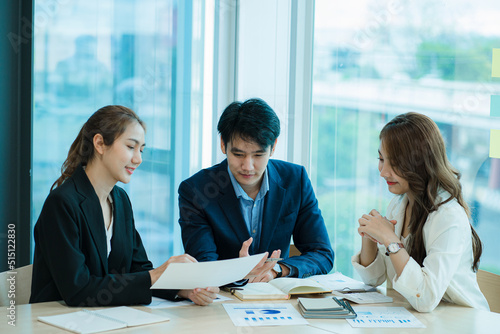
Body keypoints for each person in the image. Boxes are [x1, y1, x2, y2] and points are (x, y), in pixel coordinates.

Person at [30, 105, 219, 306]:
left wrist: (181, 289)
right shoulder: (62, 203)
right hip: (55, 321)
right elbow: (78, 289)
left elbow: (138, 269)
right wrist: (156, 275)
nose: (138, 159)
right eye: (131, 147)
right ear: (100, 143)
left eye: (141, 150)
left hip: (103, 320)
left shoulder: (120, 200)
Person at [178, 98, 334, 282]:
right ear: (223, 144)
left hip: (276, 301)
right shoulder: (196, 191)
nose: (248, 166)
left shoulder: (295, 180)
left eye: (258, 155)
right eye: (238, 154)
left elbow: (322, 253)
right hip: (222, 300)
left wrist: (277, 270)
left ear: (273, 147)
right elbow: (204, 265)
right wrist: (239, 271)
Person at [352, 112, 489, 312]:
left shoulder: (448, 216)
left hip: (461, 322)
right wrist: (369, 235)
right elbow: (374, 278)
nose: (383, 171)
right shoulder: (399, 204)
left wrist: (390, 239)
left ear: (421, 162)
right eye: (381, 159)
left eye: (395, 163)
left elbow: (425, 298)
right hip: (424, 319)